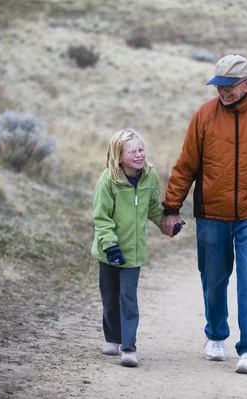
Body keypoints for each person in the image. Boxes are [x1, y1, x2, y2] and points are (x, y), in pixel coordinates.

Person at [161, 54, 247, 375]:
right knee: (213, 279)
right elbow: (185, 166)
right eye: (218, 85)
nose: (221, 91)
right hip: (212, 213)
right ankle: (216, 335)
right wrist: (171, 208)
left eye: (228, 86)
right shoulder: (204, 117)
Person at [91, 128, 164, 368]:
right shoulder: (108, 181)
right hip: (108, 251)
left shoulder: (150, 177)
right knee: (110, 298)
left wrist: (166, 222)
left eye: (141, 149)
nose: (138, 154)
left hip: (133, 253)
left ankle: (129, 347)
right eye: (132, 151)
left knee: (128, 298)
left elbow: (153, 207)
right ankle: (112, 338)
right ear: (119, 156)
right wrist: (110, 246)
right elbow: (102, 218)